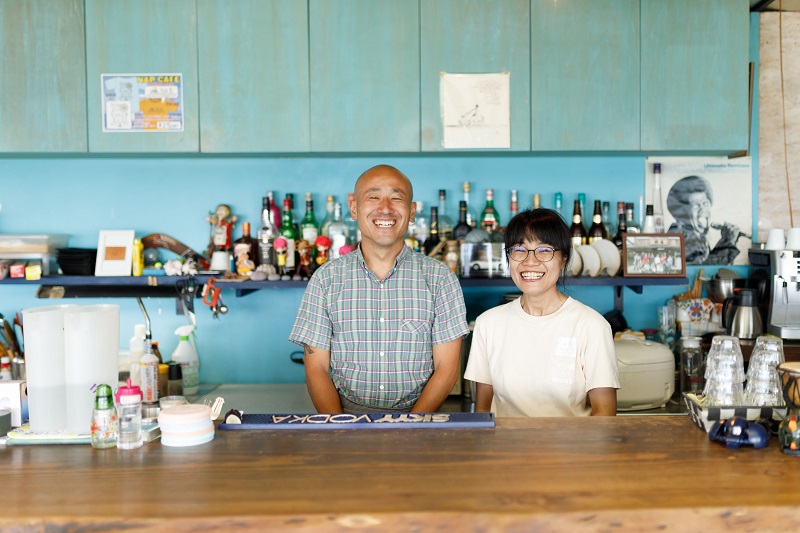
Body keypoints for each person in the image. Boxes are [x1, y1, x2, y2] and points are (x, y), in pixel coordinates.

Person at [289, 165, 469, 414]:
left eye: (397, 198)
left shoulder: (440, 279)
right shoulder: (325, 280)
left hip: (420, 419)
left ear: (412, 211)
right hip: (344, 417)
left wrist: (410, 427)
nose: (385, 208)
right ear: (354, 208)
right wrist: (340, 429)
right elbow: (316, 368)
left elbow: (447, 370)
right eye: (373, 197)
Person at [464, 208, 619, 417]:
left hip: (571, 448)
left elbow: (604, 415)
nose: (530, 261)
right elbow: (483, 410)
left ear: (564, 259)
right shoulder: (488, 324)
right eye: (519, 249)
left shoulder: (591, 326)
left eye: (544, 250)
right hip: (503, 448)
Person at [666, 175, 741, 264]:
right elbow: (702, 272)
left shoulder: (697, 235)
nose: (702, 209)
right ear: (682, 212)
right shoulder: (682, 236)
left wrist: (730, 241)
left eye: (705, 203)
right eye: (696, 205)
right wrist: (727, 241)